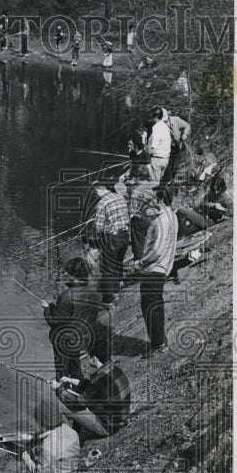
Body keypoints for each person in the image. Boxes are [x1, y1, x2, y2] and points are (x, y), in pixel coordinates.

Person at [43, 256, 103, 382]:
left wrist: (47, 309)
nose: (66, 276)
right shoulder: (95, 292)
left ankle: (63, 390)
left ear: (74, 275)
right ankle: (79, 385)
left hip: (64, 341)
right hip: (82, 338)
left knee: (62, 370)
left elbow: (53, 321)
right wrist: (55, 307)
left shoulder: (67, 296)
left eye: (68, 273)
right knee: (75, 365)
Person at [133, 187, 178, 355]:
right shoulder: (171, 216)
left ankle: (158, 344)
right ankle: (160, 340)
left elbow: (157, 250)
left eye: (152, 199)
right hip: (164, 266)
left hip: (154, 268)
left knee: (150, 306)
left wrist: (140, 262)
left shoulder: (161, 220)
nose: (150, 202)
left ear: (159, 200)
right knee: (156, 305)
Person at [51, 354, 131, 441]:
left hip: (106, 428)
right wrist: (70, 380)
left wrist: (59, 389)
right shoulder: (115, 369)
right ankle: (74, 430)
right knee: (75, 400)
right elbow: (90, 386)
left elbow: (76, 404)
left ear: (94, 359)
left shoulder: (100, 379)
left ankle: (68, 439)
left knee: (61, 405)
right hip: (119, 422)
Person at [90, 176, 130, 306]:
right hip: (124, 236)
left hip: (111, 238)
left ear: (96, 192)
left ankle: (109, 300)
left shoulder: (102, 203)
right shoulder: (120, 197)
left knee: (107, 268)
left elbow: (99, 227)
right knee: (118, 262)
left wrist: (94, 242)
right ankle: (117, 288)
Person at [146, 106, 172, 186]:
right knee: (160, 182)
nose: (151, 119)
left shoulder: (156, 128)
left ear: (156, 117)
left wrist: (146, 150)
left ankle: (154, 198)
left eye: (152, 117)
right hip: (165, 159)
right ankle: (159, 197)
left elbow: (153, 147)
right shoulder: (165, 127)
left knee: (154, 184)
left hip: (157, 159)